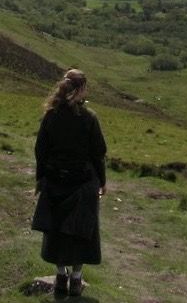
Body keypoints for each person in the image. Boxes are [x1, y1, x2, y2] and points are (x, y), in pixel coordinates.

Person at [32, 68, 107, 297]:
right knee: (81, 231)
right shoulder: (89, 118)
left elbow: (40, 150)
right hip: (83, 183)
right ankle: (76, 279)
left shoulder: (51, 115)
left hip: (55, 181)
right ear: (82, 89)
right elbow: (98, 153)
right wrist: (102, 181)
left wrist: (40, 178)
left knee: (56, 230)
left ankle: (60, 275)